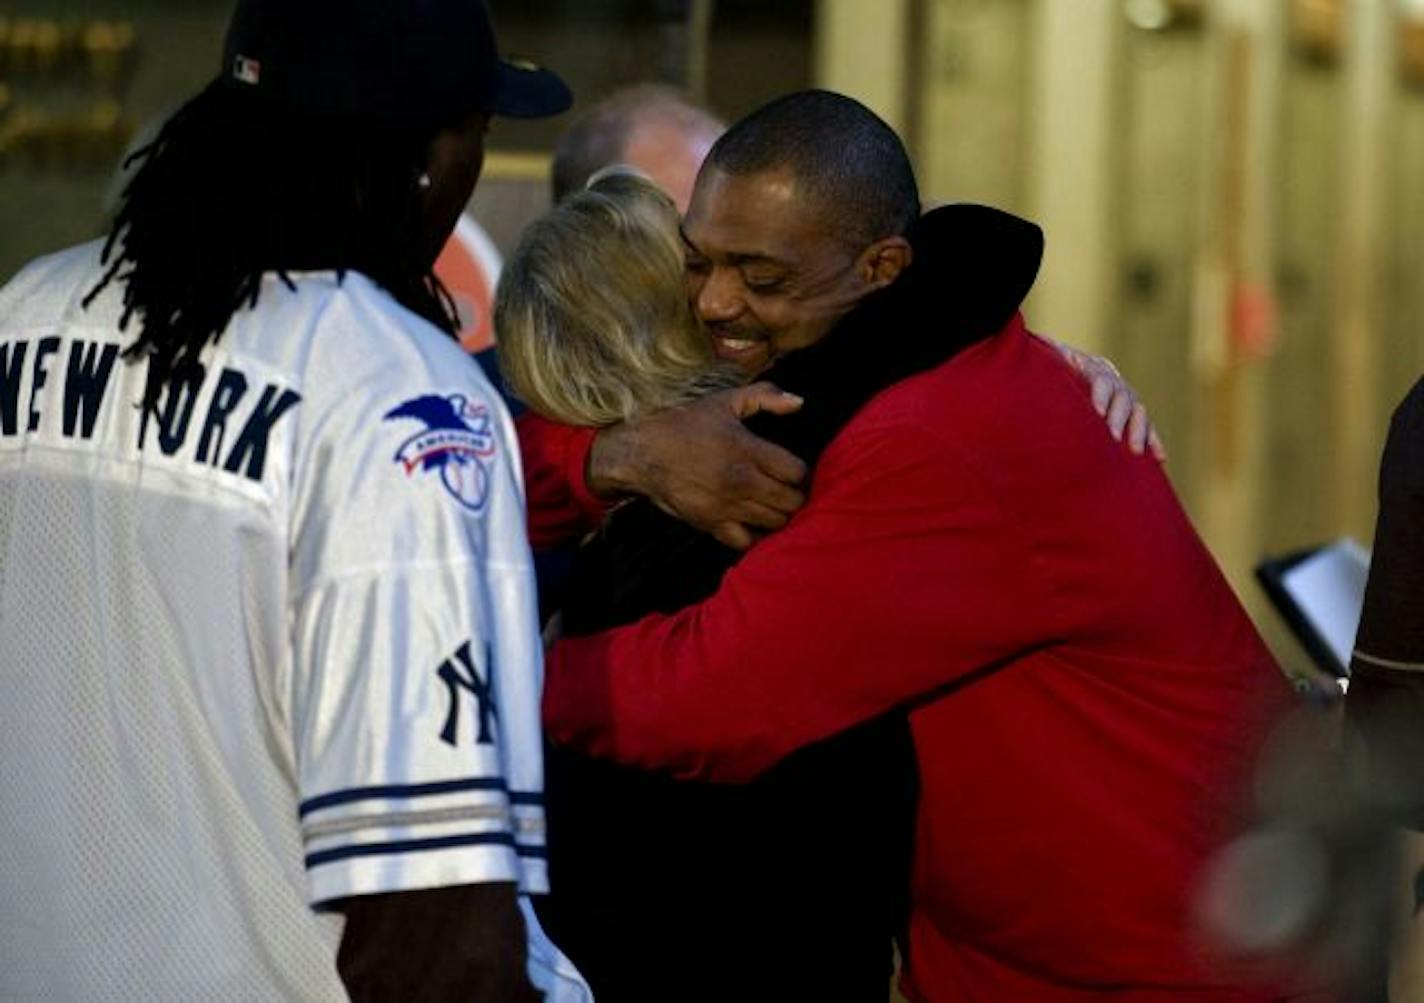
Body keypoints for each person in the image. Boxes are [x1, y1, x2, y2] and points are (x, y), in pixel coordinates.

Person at [540, 90, 1318, 1001]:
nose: (716, 300)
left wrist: (503, 674)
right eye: (699, 262)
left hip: (1168, 968)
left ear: (882, 267)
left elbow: (714, 697)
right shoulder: (938, 371)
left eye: (762, 275)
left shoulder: (935, 435)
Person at [0, 1, 589, 1000]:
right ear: (422, 154)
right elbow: (433, 921)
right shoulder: (396, 393)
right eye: (476, 137)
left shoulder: (24, 313)